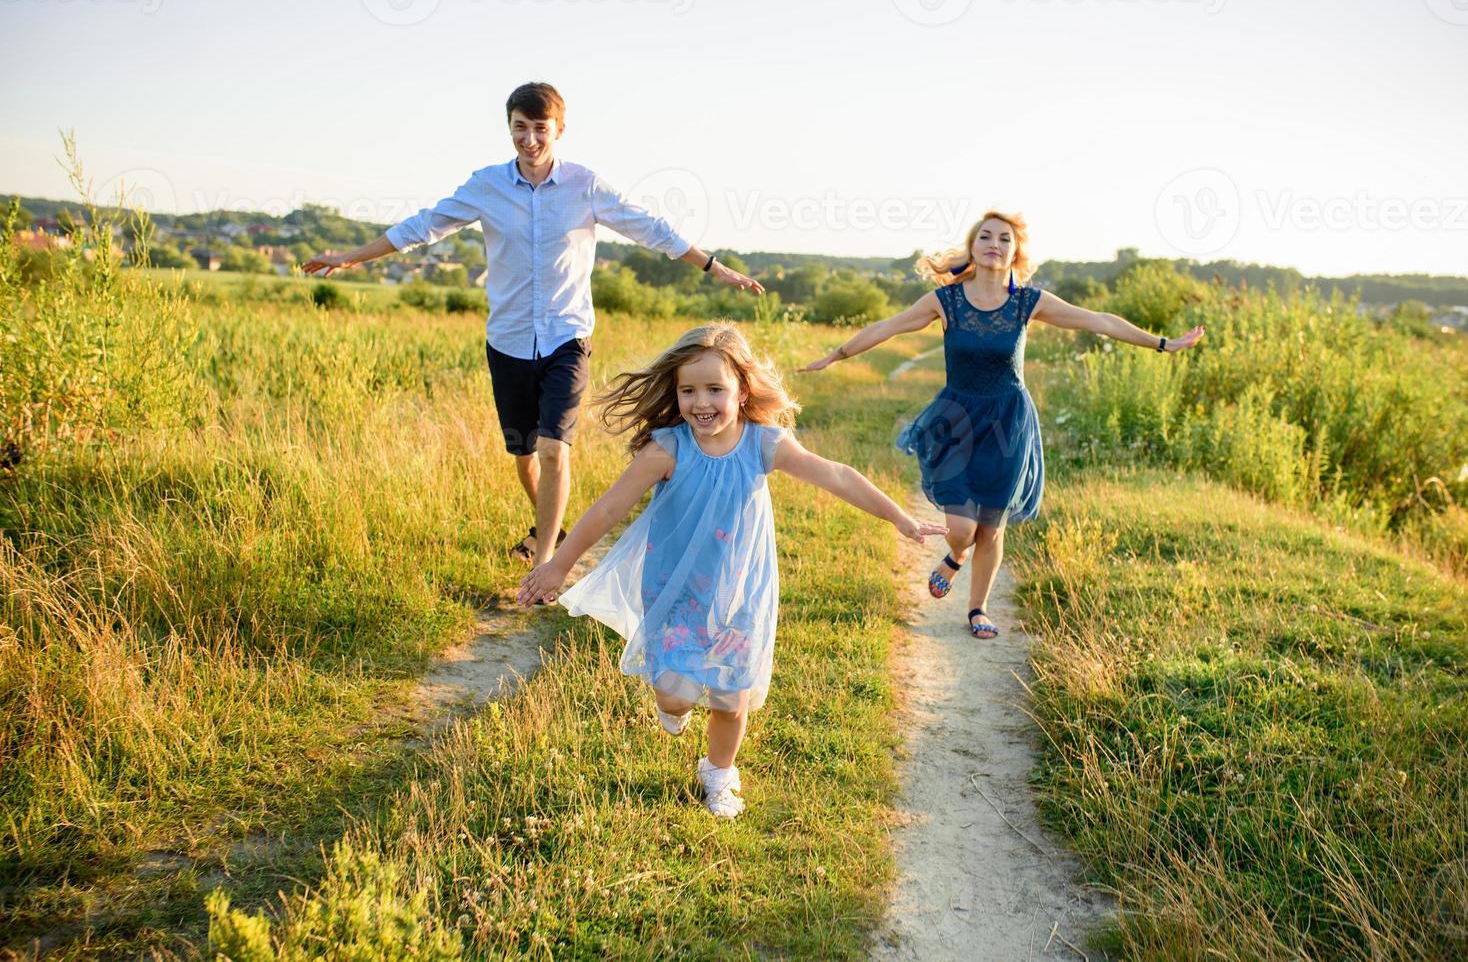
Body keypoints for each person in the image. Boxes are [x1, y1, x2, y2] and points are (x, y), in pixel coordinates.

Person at [302, 82, 762, 576]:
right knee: (525, 453)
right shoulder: (487, 185)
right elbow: (423, 226)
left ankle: (545, 563)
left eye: (540, 128)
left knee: (553, 448)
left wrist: (714, 266)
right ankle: (549, 525)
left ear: (558, 130)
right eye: (519, 128)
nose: (529, 139)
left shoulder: (584, 185)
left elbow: (650, 227)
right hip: (508, 342)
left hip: (567, 339)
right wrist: (351, 258)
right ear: (510, 129)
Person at [516, 323, 946, 817]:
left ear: (742, 391)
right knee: (676, 694)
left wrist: (901, 518)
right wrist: (557, 566)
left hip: (741, 591)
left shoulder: (764, 445)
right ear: (675, 393)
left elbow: (837, 476)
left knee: (730, 695)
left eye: (715, 389)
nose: (702, 402)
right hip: (676, 589)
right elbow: (608, 510)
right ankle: (671, 705)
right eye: (689, 390)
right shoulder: (668, 450)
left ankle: (719, 774)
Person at [800, 211, 1204, 639]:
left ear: (1015, 250)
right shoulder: (947, 301)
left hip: (1008, 423)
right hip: (957, 420)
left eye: (1004, 238)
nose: (995, 243)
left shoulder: (1029, 302)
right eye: (986, 237)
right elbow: (889, 326)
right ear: (973, 248)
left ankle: (978, 608)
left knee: (991, 526)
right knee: (962, 528)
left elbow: (1099, 320)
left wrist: (1163, 344)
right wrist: (836, 355)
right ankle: (956, 554)